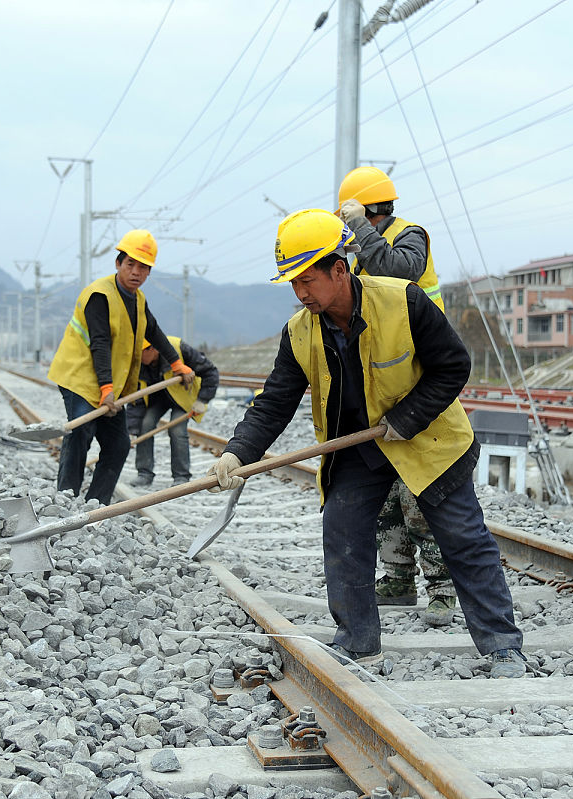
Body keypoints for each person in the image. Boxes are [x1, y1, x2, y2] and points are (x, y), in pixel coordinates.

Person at [207, 209, 525, 678]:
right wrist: (238, 451)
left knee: (463, 538)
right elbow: (275, 401)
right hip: (358, 448)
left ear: (340, 268)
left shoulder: (403, 301)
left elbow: (454, 365)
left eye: (306, 279)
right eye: (292, 283)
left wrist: (408, 416)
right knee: (343, 533)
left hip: (428, 440)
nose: (300, 293)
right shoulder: (299, 332)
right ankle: (358, 645)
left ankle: (502, 646)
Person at [337, 165, 457, 626]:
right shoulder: (363, 248)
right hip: (386, 377)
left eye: (352, 215)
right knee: (386, 489)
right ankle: (399, 577)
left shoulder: (410, 236)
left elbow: (399, 271)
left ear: (367, 210)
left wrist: (362, 231)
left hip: (423, 380)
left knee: (418, 492)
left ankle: (443, 587)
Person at [47, 229, 194, 505]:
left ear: (149, 272)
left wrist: (177, 364)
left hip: (106, 383)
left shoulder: (137, 299)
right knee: (80, 432)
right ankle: (65, 499)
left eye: (142, 267)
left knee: (118, 445)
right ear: (118, 264)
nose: (135, 272)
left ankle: (96, 505)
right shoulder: (99, 295)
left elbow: (154, 331)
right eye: (130, 265)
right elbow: (100, 343)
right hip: (80, 376)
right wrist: (106, 388)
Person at [127, 336, 220, 487]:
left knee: (176, 429)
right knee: (145, 425)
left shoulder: (178, 348)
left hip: (181, 397)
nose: (136, 356)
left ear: (153, 348)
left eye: (140, 352)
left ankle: (181, 476)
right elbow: (136, 399)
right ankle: (144, 473)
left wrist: (202, 400)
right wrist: (131, 429)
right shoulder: (137, 364)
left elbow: (211, 372)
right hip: (157, 398)